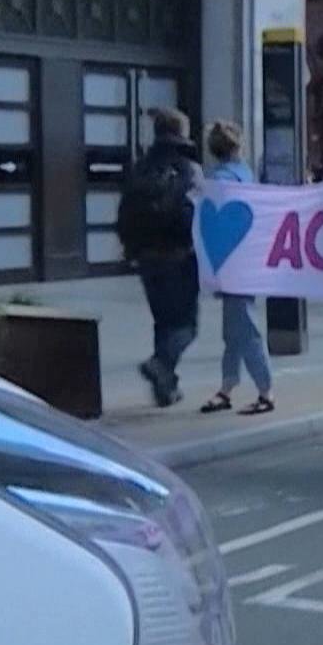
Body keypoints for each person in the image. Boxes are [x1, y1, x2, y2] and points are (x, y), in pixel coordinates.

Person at [116, 107, 201, 408]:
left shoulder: (142, 167)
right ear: (181, 133)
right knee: (186, 326)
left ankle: (166, 388)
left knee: (163, 321)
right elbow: (199, 215)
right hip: (179, 256)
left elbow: (124, 210)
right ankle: (160, 364)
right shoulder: (188, 169)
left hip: (146, 257)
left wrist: (130, 249)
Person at [200, 120, 274, 416]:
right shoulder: (246, 176)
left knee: (244, 326)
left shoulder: (218, 181)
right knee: (234, 327)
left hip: (231, 264)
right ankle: (227, 386)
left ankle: (265, 390)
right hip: (248, 260)